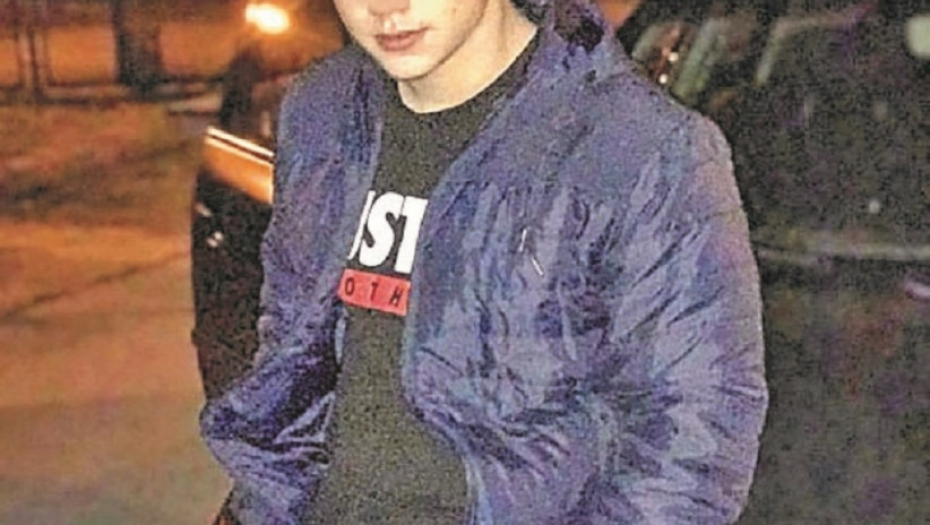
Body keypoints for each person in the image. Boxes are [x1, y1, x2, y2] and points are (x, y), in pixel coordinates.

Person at [201, 0, 769, 523]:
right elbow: (291, 335)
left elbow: (694, 445)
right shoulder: (322, 109)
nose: (386, 7)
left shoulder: (639, 149)